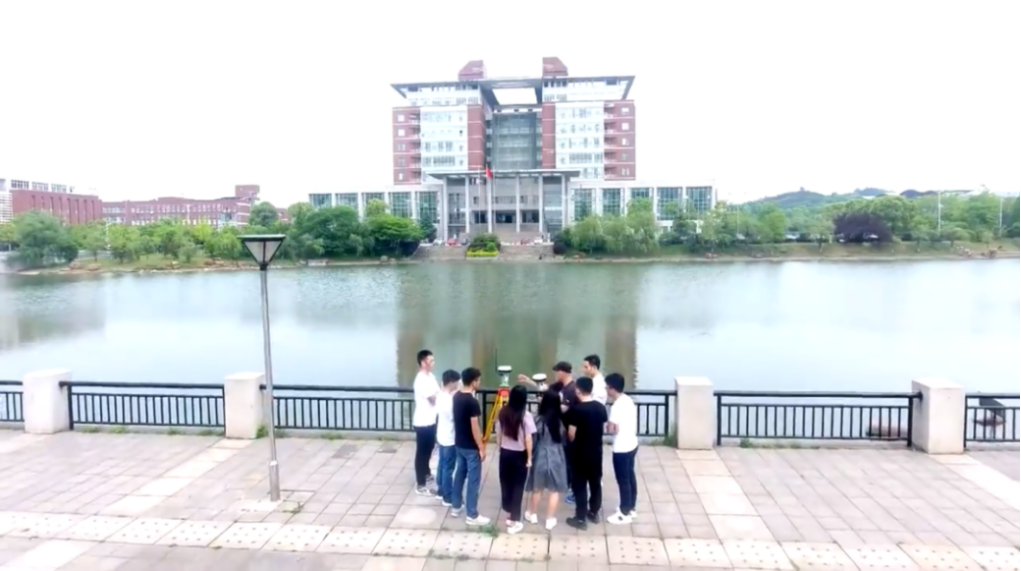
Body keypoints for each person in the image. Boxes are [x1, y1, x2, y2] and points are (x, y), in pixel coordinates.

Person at [563, 376, 608, 531]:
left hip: (580, 452)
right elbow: (603, 426)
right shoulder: (600, 407)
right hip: (596, 451)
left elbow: (571, 434)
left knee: (580, 484)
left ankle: (580, 517)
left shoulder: (577, 410)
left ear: (577, 391)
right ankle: (594, 512)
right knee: (595, 482)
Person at [524, 389, 569, 531]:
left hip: (540, 455)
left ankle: (532, 514)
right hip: (556, 455)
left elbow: (533, 439)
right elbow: (564, 439)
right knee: (554, 489)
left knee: (537, 487)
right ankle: (550, 519)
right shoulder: (560, 422)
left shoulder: (538, 420)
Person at [451, 367, 490, 526]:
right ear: (474, 382)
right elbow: (475, 427)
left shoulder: (456, 396)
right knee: (473, 481)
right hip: (471, 447)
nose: (479, 383)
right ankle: (472, 514)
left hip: (459, 443)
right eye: (478, 380)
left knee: (460, 475)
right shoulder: (472, 402)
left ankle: (455, 506)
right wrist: (481, 447)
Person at [496, 385, 535, 535]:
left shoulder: (502, 412)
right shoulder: (526, 415)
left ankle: (509, 512)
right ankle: (515, 520)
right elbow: (528, 439)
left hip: (505, 453)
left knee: (506, 484)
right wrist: (529, 457)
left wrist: (500, 448)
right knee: (518, 487)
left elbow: (499, 433)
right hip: (520, 454)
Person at [605, 373, 639, 525]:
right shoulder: (628, 400)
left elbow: (612, 429)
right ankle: (631, 507)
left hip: (621, 448)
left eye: (607, 387)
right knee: (630, 476)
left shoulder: (616, 407)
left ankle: (624, 512)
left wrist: (608, 425)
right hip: (632, 444)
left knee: (623, 480)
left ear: (613, 389)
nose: (606, 390)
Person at [412, 349, 439, 496]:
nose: (433, 363)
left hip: (431, 420)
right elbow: (433, 398)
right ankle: (420, 484)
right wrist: (440, 394)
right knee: (422, 452)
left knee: (430, 447)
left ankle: (426, 472)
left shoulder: (431, 377)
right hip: (422, 422)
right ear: (423, 363)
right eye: (431, 360)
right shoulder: (421, 380)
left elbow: (438, 393)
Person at [435, 369, 461, 507]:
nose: (457, 385)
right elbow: (454, 419)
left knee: (442, 464)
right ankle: (447, 496)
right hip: (450, 438)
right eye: (456, 382)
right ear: (451, 382)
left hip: (441, 435)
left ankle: (440, 491)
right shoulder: (450, 401)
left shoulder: (440, 396)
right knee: (448, 469)